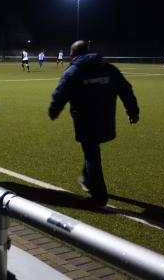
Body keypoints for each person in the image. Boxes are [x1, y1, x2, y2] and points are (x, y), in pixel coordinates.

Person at [48, 40, 139, 206]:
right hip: (105, 118)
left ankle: (99, 197)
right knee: (92, 150)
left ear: (73, 54)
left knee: (92, 154)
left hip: (85, 120)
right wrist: (133, 112)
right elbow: (126, 88)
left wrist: (54, 110)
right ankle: (87, 179)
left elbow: (61, 93)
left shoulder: (74, 71)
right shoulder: (108, 68)